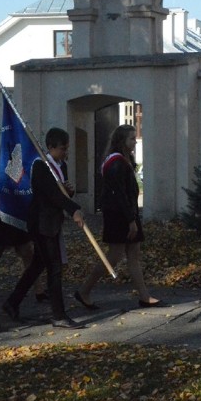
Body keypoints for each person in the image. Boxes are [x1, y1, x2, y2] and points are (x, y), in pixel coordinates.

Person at [2, 128, 84, 329]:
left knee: (38, 265)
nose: (65, 152)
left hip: (52, 222)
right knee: (54, 268)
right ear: (51, 147)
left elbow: (60, 194)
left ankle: (12, 302)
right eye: (63, 148)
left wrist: (69, 193)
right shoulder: (41, 166)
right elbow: (51, 195)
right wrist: (74, 210)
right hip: (41, 224)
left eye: (67, 148)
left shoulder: (60, 165)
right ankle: (58, 315)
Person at [75, 124, 163, 310]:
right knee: (113, 256)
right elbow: (119, 194)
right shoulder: (116, 163)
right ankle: (84, 290)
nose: (135, 142)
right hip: (119, 215)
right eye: (131, 138)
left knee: (134, 255)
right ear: (121, 140)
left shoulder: (124, 160)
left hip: (128, 213)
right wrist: (131, 220)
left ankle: (144, 296)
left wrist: (133, 216)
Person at [0, 150, 46, 308]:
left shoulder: (27, 169)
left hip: (20, 215)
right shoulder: (2, 169)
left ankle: (39, 290)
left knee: (27, 253)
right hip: (4, 214)